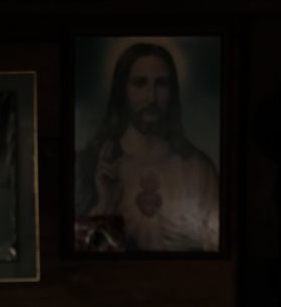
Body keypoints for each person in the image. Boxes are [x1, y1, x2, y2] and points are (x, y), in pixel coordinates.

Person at [74, 43, 220, 253]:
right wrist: (106, 203)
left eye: (161, 84)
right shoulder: (95, 164)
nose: (151, 98)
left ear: (173, 92)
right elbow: (83, 258)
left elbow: (216, 248)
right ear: (122, 91)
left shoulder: (198, 169)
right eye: (139, 84)